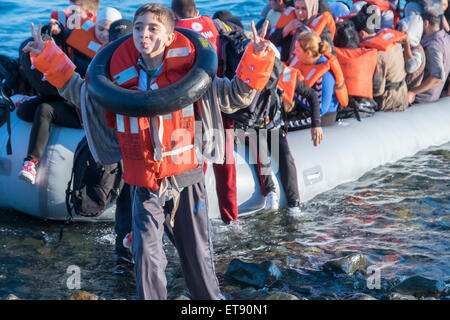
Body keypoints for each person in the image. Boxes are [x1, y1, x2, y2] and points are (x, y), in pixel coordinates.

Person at [24, 3, 275, 300]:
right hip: (144, 183)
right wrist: (46, 55)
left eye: (153, 28)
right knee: (145, 254)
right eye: (139, 27)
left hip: (186, 178)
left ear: (170, 37)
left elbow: (236, 95)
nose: (144, 33)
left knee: (197, 257)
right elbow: (80, 90)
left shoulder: (192, 74)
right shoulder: (117, 78)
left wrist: (257, 56)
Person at [17, 7, 122, 185]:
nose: (104, 34)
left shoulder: (120, 56)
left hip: (89, 112)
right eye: (101, 29)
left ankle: (31, 163)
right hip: (72, 97)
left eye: (108, 30)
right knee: (24, 112)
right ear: (95, 25)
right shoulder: (80, 41)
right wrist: (54, 33)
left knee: (44, 110)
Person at [171, 0, 239, 224]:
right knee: (226, 166)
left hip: (193, 110)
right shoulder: (213, 24)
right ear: (196, 8)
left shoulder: (174, 32)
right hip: (221, 103)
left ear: (173, 13)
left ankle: (195, 217)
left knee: (195, 169)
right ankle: (231, 219)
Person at [351, 3, 408, 112]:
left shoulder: (375, 53)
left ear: (362, 34)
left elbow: (378, 90)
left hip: (390, 102)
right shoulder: (392, 42)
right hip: (402, 93)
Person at [289, 31, 348, 126]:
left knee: (282, 126)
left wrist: (293, 94)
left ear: (308, 53)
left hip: (322, 117)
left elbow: (321, 108)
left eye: (297, 50)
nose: (294, 52)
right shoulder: (305, 62)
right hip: (304, 109)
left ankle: (269, 139)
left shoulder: (325, 75)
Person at [269, 0, 336, 62]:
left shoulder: (322, 28)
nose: (299, 12)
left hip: (306, 68)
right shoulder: (291, 20)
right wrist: (286, 29)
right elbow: (273, 42)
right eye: (297, 8)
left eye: (304, 9)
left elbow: (329, 54)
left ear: (311, 8)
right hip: (286, 65)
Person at [408, 10, 450, 103]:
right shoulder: (447, 38)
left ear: (426, 23)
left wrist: (412, 92)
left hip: (422, 99)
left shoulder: (433, 46)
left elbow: (438, 77)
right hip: (435, 96)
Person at [396, 15, 427, 91]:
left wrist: (406, 43)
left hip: (408, 94)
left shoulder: (418, 51)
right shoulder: (404, 46)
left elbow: (410, 67)